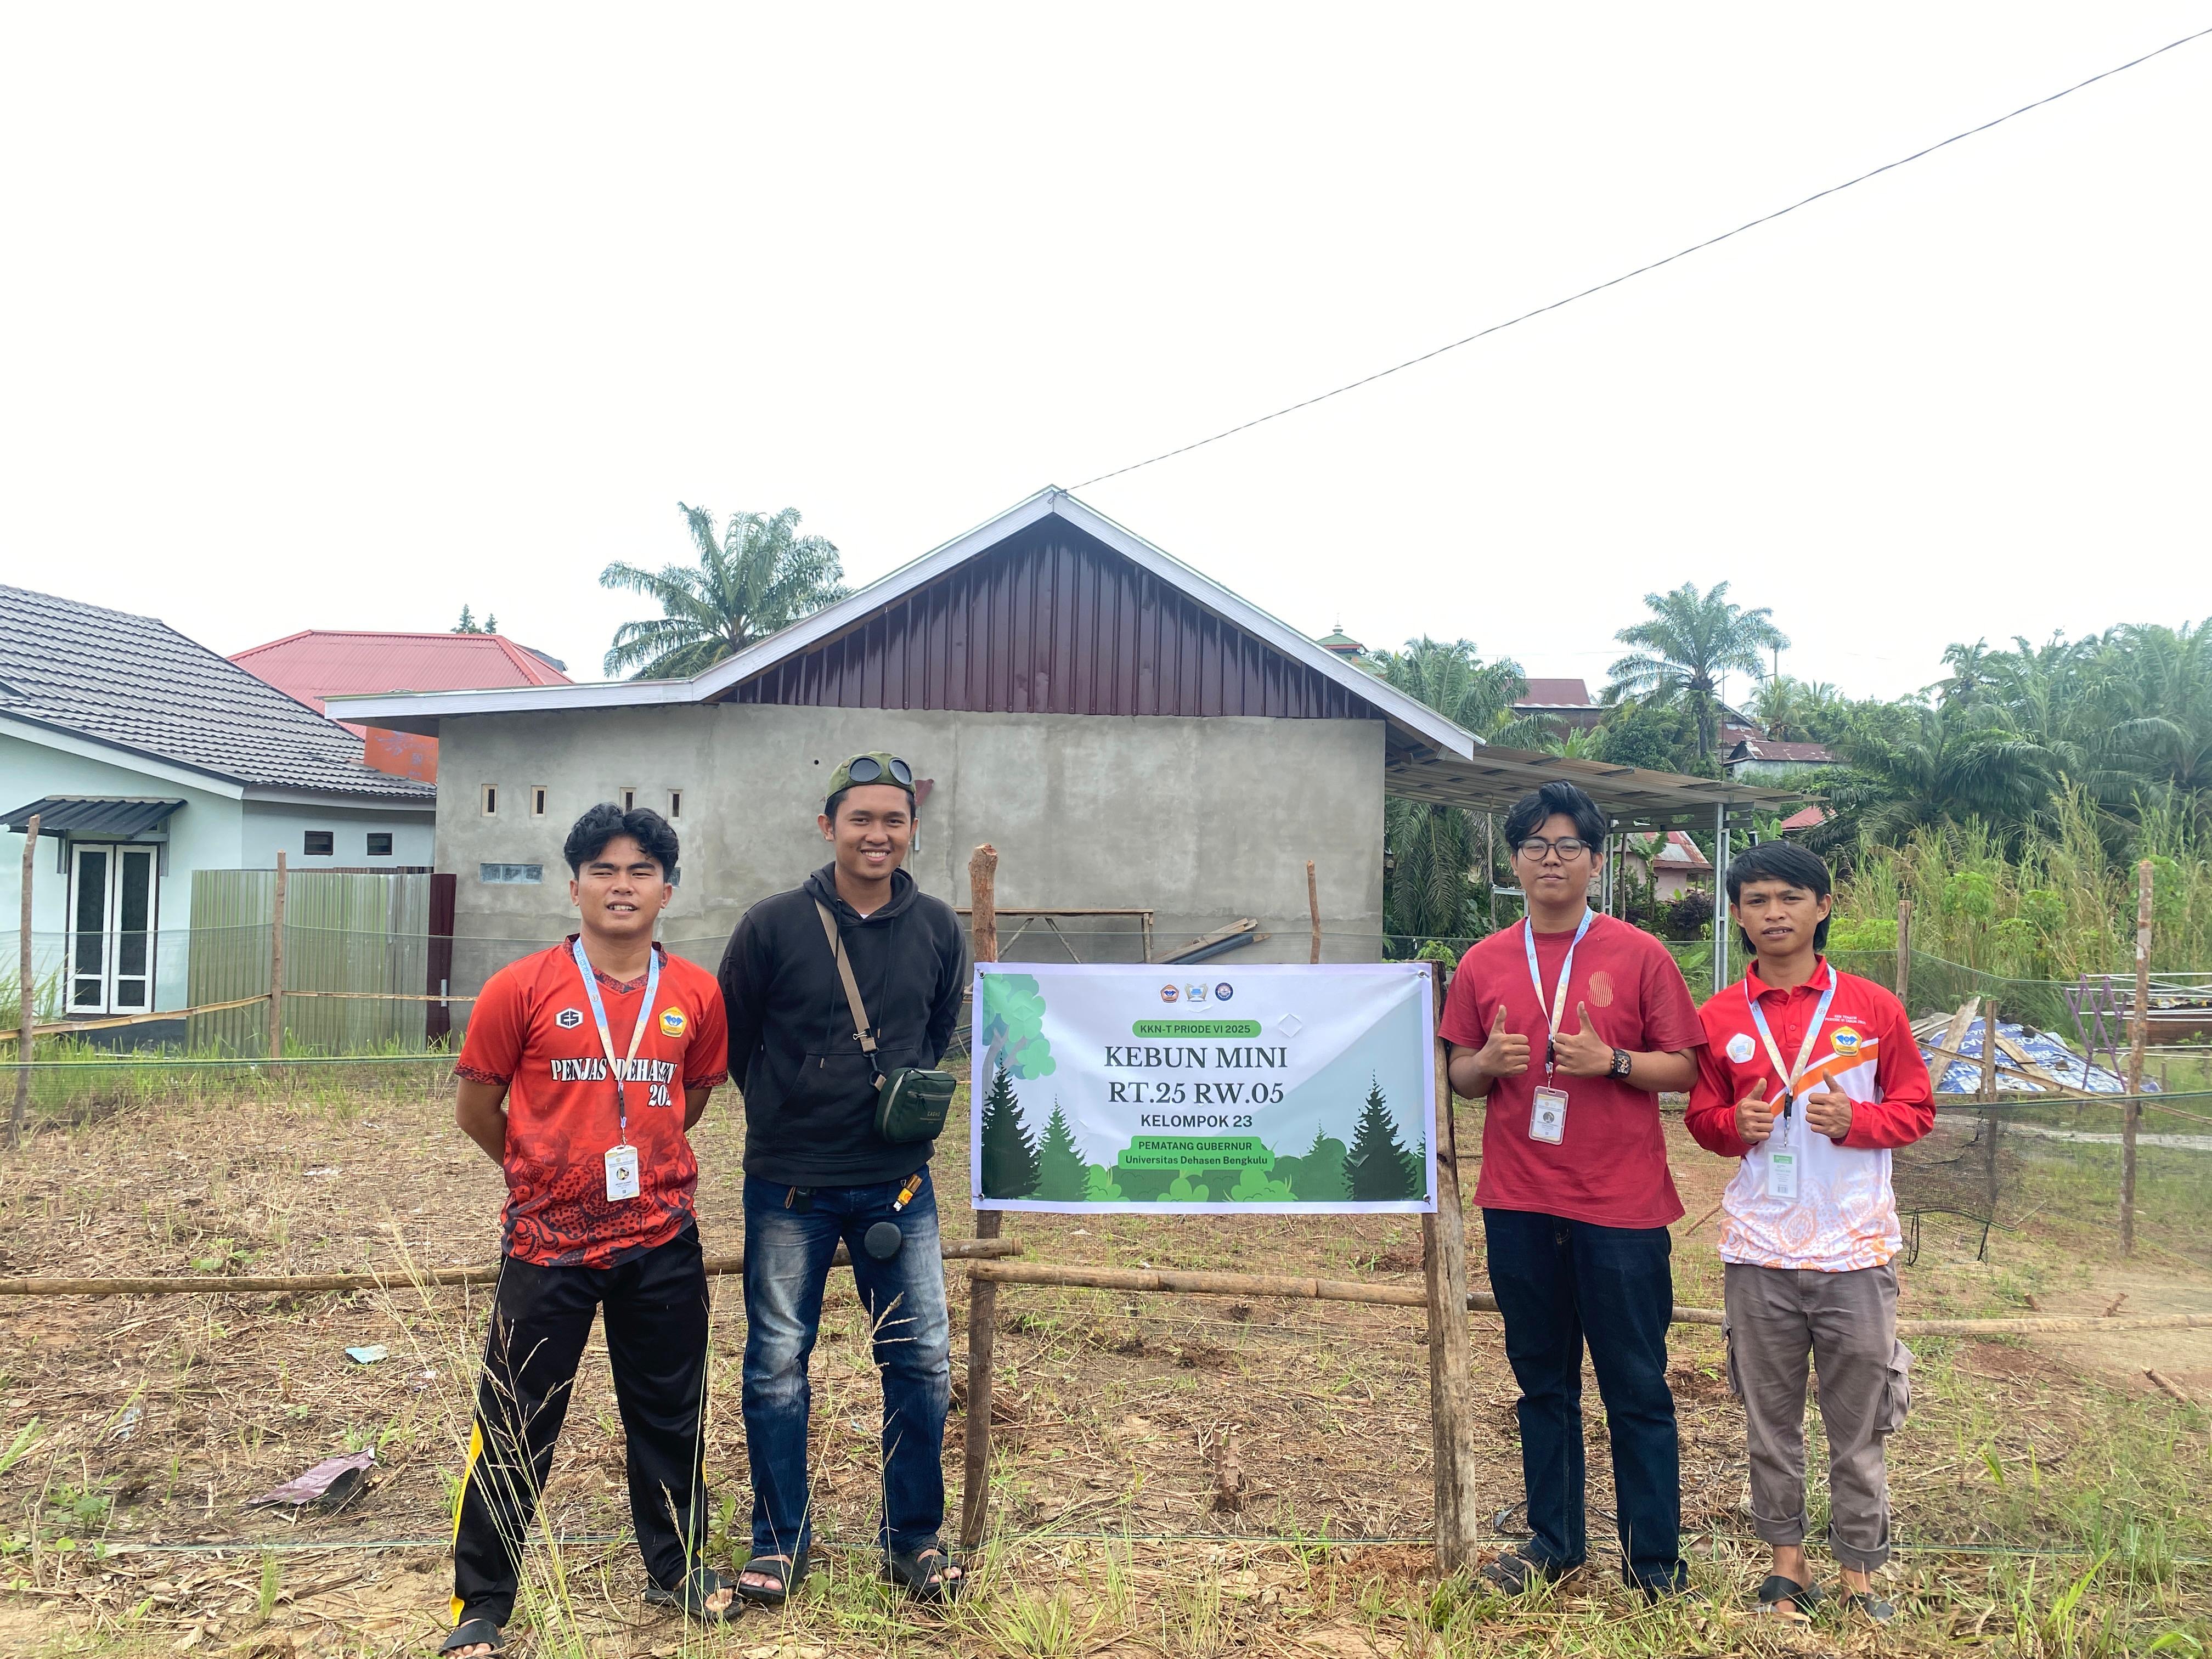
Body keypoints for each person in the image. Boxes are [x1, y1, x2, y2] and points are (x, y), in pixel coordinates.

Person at [440, 805, 733, 1658]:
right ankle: (482, 1604)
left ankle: (676, 1570)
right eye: (603, 870)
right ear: (574, 886)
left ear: (666, 891)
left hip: (659, 1238)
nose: (622, 885)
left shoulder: (696, 995)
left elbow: (693, 1102)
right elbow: (476, 1109)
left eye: (641, 870)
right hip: (547, 1245)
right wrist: (542, 1173)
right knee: (513, 1419)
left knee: (671, 1412)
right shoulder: (521, 988)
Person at [1440, 781, 1706, 1600]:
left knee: (1636, 1384)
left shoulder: (1639, 954)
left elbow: (1687, 1067)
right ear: (1514, 862)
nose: (1550, 861)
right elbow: (1459, 1075)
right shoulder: (1485, 960)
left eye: (1568, 847)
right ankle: (1555, 1543)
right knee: (1542, 1382)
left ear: (1596, 862)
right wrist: (1484, 1066)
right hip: (1519, 1203)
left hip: (1621, 1209)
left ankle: (1653, 1563)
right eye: (1534, 847)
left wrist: (1614, 1064)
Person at [717, 753, 968, 1605]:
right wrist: (790, 1113)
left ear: (911, 831)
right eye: (861, 819)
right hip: (788, 1186)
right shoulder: (771, 924)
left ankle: (914, 1541)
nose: (878, 834)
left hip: (899, 1184)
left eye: (893, 820)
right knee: (777, 1363)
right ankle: (779, 1543)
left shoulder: (938, 925)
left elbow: (934, 1035)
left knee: (922, 1361)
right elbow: (734, 1040)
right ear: (828, 827)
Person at [1684, 840, 1931, 1624]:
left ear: (1822, 907)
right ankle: (1786, 1569)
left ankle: (1860, 1574)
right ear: (1737, 915)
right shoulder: (1719, 1017)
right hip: (1759, 1253)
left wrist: (1860, 1120)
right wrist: (1734, 1123)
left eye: (1791, 897)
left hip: (1857, 1252)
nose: (1774, 913)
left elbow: (1919, 1109)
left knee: (1858, 1426)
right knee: (1772, 1423)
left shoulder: (1873, 1007)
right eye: (1756, 901)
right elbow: (1701, 1120)